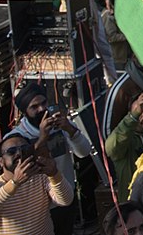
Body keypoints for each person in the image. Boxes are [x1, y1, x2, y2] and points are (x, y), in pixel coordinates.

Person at [10, 83, 92, 235]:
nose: (41, 109)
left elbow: (84, 152)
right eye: (34, 107)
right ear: (25, 112)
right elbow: (17, 170)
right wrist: (41, 139)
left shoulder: (59, 124)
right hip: (39, 207)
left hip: (64, 200)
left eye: (43, 103)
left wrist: (70, 129)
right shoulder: (17, 138)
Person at [0, 131, 74, 235]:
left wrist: (54, 173)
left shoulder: (41, 177)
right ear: (1, 162)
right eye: (11, 151)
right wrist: (14, 183)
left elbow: (66, 200)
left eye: (24, 149)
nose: (18, 154)